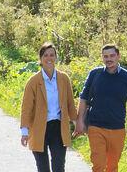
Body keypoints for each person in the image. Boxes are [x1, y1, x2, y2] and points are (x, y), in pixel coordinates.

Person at [76, 43, 127, 172]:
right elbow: (84, 98)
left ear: (118, 56)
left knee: (112, 167)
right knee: (98, 165)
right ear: (102, 58)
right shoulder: (95, 74)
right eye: (105, 56)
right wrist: (79, 121)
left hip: (117, 129)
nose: (109, 59)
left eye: (112, 55)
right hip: (96, 127)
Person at [19, 42, 78, 172]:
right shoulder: (33, 81)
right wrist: (24, 132)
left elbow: (70, 104)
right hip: (39, 128)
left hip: (58, 128)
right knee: (43, 168)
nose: (49, 58)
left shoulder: (63, 78)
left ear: (56, 57)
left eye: (52, 55)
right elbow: (26, 108)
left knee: (59, 167)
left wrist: (77, 123)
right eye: (46, 55)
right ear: (41, 59)